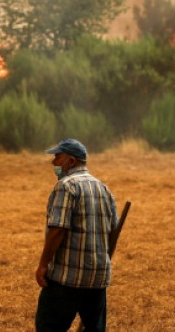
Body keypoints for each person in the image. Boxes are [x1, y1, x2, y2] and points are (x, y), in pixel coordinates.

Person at [35, 139, 117, 332]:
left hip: (67, 279)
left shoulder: (66, 186)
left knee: (48, 326)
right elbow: (113, 230)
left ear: (71, 161)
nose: (54, 162)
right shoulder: (103, 188)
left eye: (58, 157)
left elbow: (57, 230)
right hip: (97, 279)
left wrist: (43, 265)